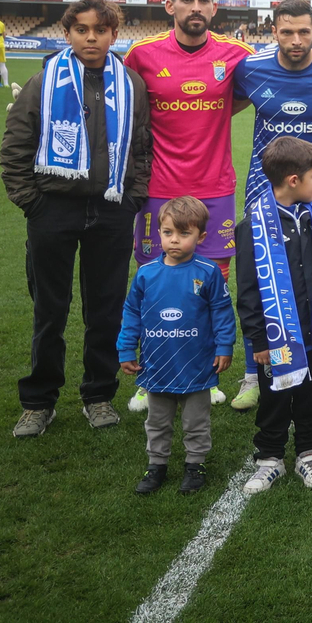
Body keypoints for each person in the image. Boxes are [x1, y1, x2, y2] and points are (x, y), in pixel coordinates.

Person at [1, 0, 152, 438]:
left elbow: (141, 148)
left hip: (111, 211)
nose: (91, 37)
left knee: (105, 310)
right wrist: (32, 202)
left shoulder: (131, 84)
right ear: (67, 33)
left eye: (100, 30)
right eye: (82, 29)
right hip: (53, 210)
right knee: (50, 310)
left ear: (113, 35)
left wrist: (132, 198)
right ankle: (38, 401)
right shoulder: (43, 81)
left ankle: (98, 394)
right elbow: (15, 148)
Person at [229, 0, 312, 411]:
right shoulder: (251, 69)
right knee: (261, 281)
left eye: (304, 31)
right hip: (262, 193)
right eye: (287, 31)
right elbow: (219, 107)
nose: (296, 40)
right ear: (274, 32)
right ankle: (254, 373)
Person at [123, 0, 258, 324]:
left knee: (212, 288)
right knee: (157, 284)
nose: (195, 7)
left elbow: (255, 91)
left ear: (214, 8)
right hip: (158, 188)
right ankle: (156, 374)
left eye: (204, 0)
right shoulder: (141, 54)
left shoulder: (238, 54)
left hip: (214, 188)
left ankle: (206, 375)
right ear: (170, 5)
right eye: (187, 0)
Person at [234, 136, 312, 495]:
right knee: (275, 395)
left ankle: (308, 452)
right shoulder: (253, 225)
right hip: (277, 335)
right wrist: (259, 339)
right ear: (294, 180)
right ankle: (270, 458)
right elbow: (248, 288)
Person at [118, 195, 234, 495]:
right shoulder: (146, 273)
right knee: (157, 420)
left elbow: (222, 312)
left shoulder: (208, 273)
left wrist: (224, 346)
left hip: (197, 363)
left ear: (201, 236)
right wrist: (127, 349)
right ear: (159, 233)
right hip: (157, 362)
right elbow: (132, 313)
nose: (174, 241)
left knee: (196, 420)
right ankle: (156, 465)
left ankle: (195, 465)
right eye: (168, 233)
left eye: (184, 234)